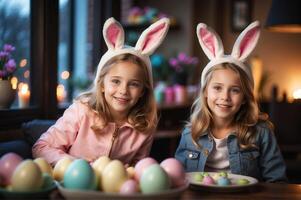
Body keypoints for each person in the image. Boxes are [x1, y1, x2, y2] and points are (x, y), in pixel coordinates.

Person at [32, 17, 170, 166]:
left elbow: (139, 168)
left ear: (143, 91)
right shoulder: (81, 112)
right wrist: (78, 165)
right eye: (116, 81)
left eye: (134, 84)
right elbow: (41, 148)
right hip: (73, 186)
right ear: (102, 85)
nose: (123, 91)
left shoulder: (145, 126)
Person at [175, 21, 287, 182]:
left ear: (244, 98)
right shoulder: (190, 133)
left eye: (235, 90)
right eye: (217, 88)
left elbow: (277, 181)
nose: (225, 97)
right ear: (205, 92)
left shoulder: (261, 133)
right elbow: (178, 176)